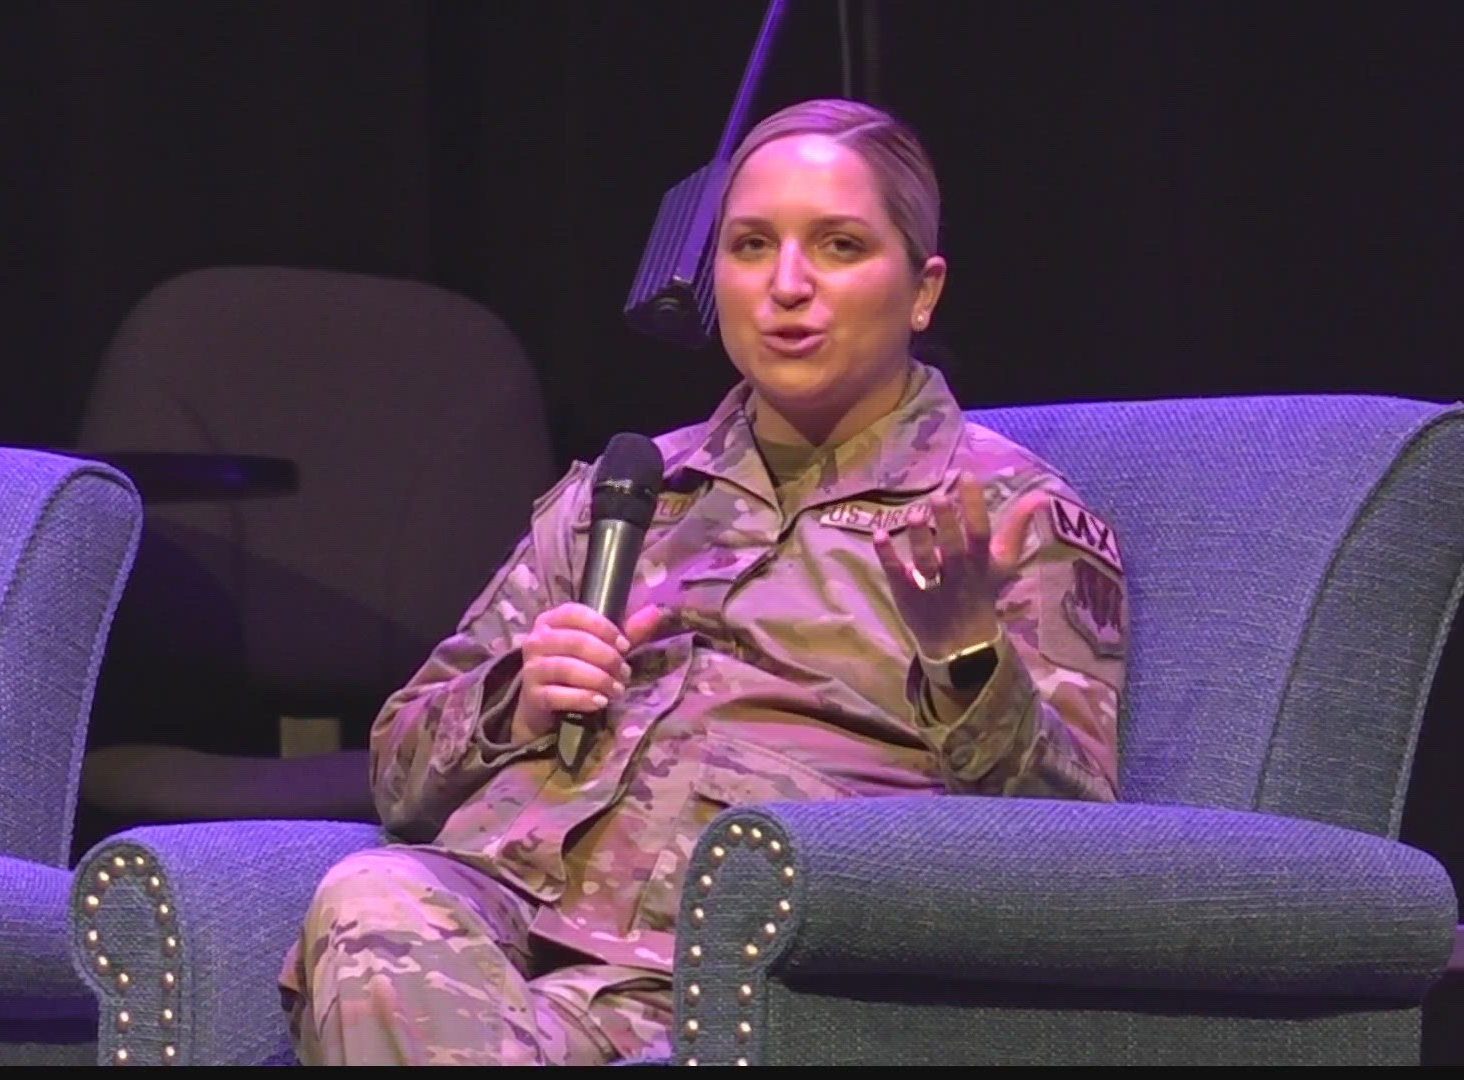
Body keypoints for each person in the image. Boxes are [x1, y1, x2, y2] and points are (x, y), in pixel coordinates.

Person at [277, 97, 1127, 1066]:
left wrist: (970, 664)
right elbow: (395, 772)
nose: (787, 286)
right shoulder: (628, 493)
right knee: (369, 895)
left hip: (725, 971)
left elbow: (1076, 852)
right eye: (751, 246)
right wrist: (516, 700)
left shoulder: (999, 516)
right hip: (504, 927)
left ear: (922, 291)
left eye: (840, 246)